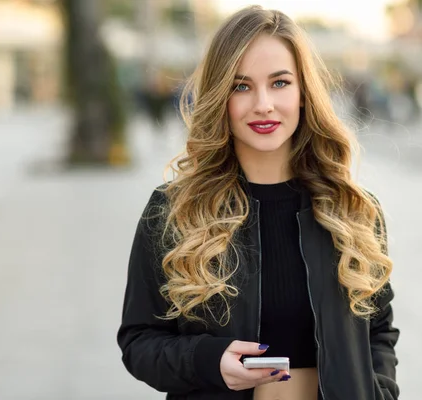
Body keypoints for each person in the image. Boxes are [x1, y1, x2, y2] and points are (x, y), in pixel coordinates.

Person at [117, 5, 399, 400]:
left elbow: (379, 330)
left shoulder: (352, 209)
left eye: (280, 83)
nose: (263, 104)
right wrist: (208, 360)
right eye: (241, 86)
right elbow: (139, 341)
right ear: (220, 97)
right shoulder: (175, 210)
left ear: (304, 93)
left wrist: (378, 392)